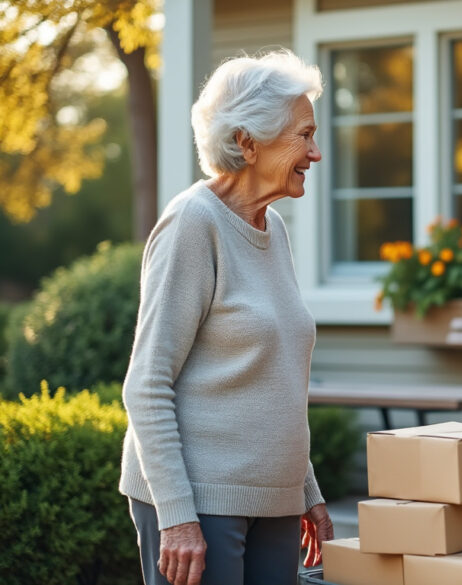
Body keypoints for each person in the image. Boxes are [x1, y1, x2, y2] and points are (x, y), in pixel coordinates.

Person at [119, 50, 333, 585]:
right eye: (304, 136)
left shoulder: (272, 228)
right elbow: (146, 384)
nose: (316, 152)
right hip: (200, 505)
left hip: (275, 504)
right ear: (247, 142)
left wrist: (305, 490)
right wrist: (176, 517)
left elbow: (276, 381)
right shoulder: (193, 223)